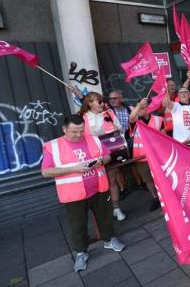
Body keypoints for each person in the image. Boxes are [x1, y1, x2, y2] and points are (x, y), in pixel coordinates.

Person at [41, 115, 125, 272]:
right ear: (64, 129)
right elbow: (45, 172)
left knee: (105, 217)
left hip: (99, 188)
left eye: (81, 130)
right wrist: (73, 169)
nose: (78, 135)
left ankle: (109, 239)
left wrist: (101, 161)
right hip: (73, 195)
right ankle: (81, 252)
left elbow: (107, 156)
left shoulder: (93, 139)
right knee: (78, 225)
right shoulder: (53, 146)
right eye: (74, 132)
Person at [77, 92, 127, 221]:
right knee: (98, 185)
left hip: (110, 152)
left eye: (102, 101)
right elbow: (78, 137)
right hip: (92, 154)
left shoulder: (108, 113)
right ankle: (103, 212)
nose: (102, 103)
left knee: (112, 181)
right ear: (89, 103)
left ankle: (116, 208)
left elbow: (121, 130)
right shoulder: (82, 116)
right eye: (98, 101)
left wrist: (115, 129)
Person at [128, 98, 162, 211]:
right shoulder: (136, 121)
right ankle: (155, 198)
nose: (143, 110)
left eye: (145, 107)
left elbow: (164, 137)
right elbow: (131, 117)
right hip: (141, 157)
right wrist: (138, 106)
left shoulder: (158, 120)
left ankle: (164, 196)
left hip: (157, 156)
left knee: (160, 177)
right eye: (141, 108)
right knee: (147, 179)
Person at [107, 90, 132, 198]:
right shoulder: (108, 110)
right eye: (110, 98)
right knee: (118, 167)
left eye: (115, 98)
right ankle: (123, 188)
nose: (112, 100)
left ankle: (140, 184)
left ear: (120, 98)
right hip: (115, 140)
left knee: (134, 162)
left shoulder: (128, 108)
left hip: (128, 137)